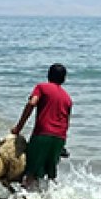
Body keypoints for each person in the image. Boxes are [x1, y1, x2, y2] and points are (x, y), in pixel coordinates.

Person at [11, 63, 71, 191]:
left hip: (43, 134)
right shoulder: (67, 98)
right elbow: (67, 121)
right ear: (64, 79)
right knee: (50, 175)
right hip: (59, 138)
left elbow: (32, 103)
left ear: (48, 75)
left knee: (30, 171)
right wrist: (62, 145)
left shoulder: (41, 87)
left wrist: (18, 128)